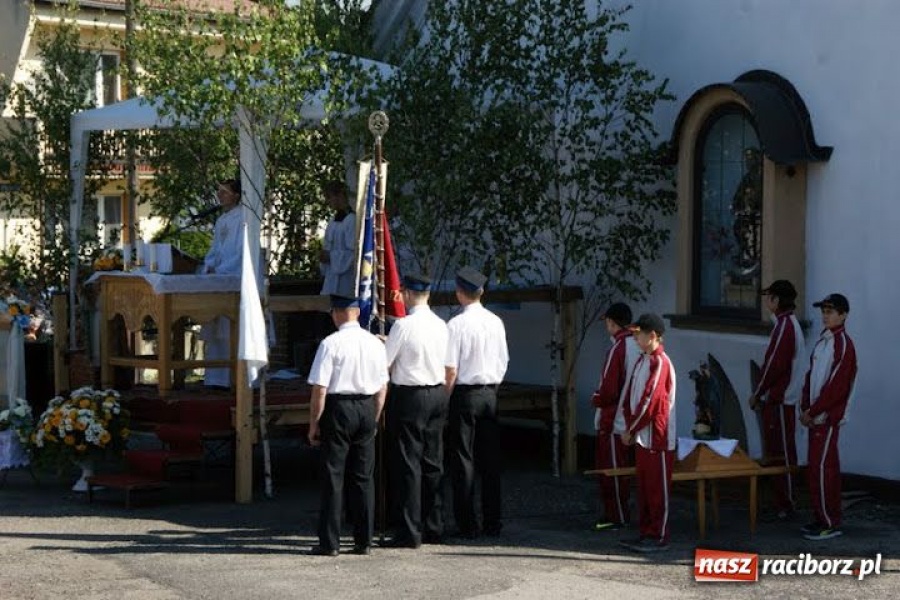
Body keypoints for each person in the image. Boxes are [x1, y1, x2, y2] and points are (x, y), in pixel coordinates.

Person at [306, 294, 389, 556]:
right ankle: (363, 540)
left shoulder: (331, 343)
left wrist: (314, 423)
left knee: (334, 476)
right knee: (363, 477)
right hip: (366, 407)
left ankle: (330, 542)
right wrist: (374, 416)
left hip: (339, 407)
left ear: (338, 313)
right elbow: (382, 387)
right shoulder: (374, 343)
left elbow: (320, 388)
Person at [382, 273, 450, 548]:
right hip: (437, 391)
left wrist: (381, 343)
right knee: (433, 461)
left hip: (410, 395)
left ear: (407, 294)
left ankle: (409, 531)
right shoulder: (441, 325)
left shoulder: (404, 326)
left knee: (408, 463)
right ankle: (434, 525)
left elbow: (385, 362)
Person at [445, 266, 509, 539]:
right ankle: (493, 521)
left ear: (460, 293)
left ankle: (468, 523)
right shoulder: (496, 321)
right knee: (491, 461)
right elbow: (503, 360)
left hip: (464, 394)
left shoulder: (456, 325)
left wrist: (445, 399)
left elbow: (450, 368)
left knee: (463, 460)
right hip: (489, 393)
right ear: (481, 292)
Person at [799, 293, 857, 541]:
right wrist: (804, 407)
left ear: (843, 315)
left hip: (827, 418)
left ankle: (829, 522)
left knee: (823, 469)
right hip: (814, 417)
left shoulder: (843, 345)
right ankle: (821, 515)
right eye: (823, 311)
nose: (826, 315)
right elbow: (811, 377)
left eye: (831, 311)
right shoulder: (823, 341)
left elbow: (836, 388)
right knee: (817, 468)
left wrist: (814, 412)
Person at [748, 280, 805, 521]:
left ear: (777, 301)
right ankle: (781, 500)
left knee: (781, 451)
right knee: (778, 449)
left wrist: (758, 392)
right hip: (781, 398)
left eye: (770, 297)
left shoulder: (784, 327)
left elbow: (774, 366)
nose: (766, 301)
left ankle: (786, 502)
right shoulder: (786, 325)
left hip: (781, 399)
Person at [618, 313, 676, 553]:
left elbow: (650, 401)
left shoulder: (659, 362)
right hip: (643, 436)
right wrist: (628, 425)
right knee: (643, 487)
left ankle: (659, 534)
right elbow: (632, 395)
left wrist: (631, 428)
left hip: (657, 438)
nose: (634, 338)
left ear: (652, 336)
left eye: (637, 334)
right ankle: (646, 531)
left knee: (656, 489)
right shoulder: (643, 360)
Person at [590, 302, 641, 531]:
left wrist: (596, 399)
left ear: (612, 323)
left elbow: (609, 389)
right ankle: (634, 514)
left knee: (611, 471)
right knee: (632, 470)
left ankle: (616, 515)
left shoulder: (618, 348)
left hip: (615, 420)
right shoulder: (641, 345)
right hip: (637, 419)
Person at [199, 178, 243, 389]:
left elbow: (241, 252)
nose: (220, 195)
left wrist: (223, 269)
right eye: (219, 191)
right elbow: (216, 249)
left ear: (236, 195)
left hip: (233, 277)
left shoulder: (244, 217)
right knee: (216, 326)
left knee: (230, 327)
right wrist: (209, 265)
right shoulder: (221, 221)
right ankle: (216, 377)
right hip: (218, 276)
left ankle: (233, 377)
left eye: (224, 192)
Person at [319, 181, 357, 297]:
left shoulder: (352, 220)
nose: (328, 201)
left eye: (329, 197)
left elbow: (353, 253)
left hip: (345, 281)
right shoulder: (332, 221)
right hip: (331, 278)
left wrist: (331, 257)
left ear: (340, 195)